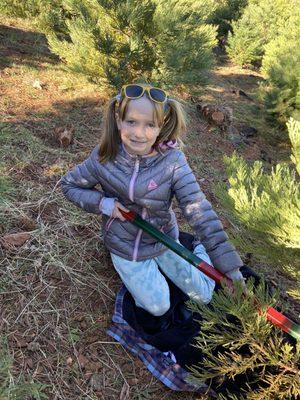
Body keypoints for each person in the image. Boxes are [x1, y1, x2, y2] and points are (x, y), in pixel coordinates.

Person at [60, 83, 244, 317]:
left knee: (205, 295)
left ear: (161, 127)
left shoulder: (173, 161)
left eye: (149, 125)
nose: (138, 133)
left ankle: (198, 249)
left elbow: (199, 210)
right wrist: (103, 204)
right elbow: (69, 185)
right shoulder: (104, 156)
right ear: (118, 120)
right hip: (124, 245)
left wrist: (230, 268)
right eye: (131, 122)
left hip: (162, 240)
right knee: (159, 307)